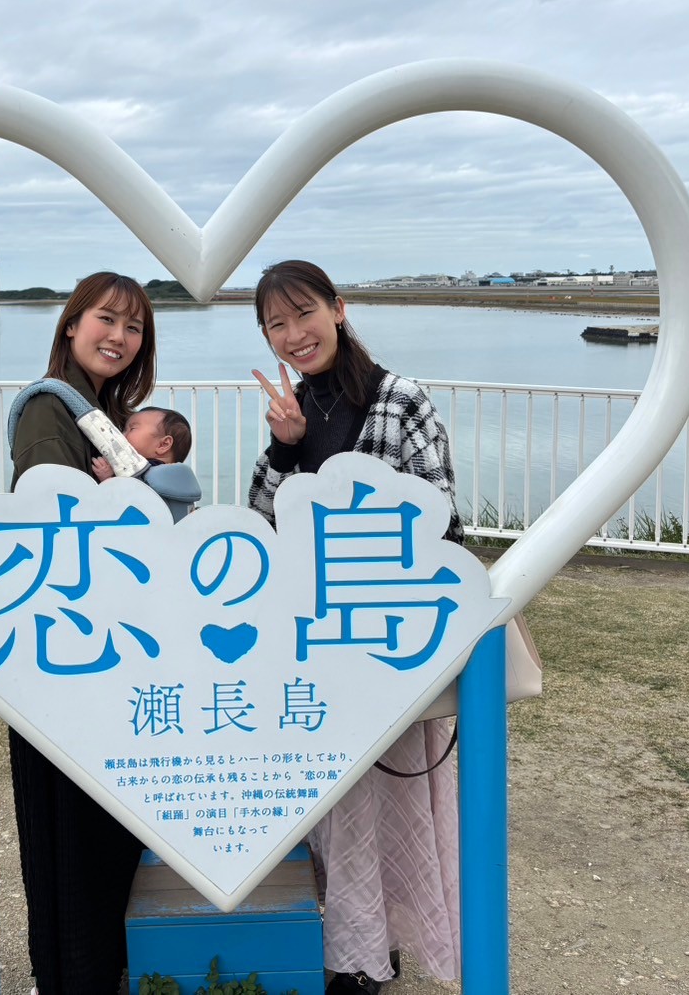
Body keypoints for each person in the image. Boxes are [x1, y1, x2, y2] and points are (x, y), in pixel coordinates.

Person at [248, 259, 462, 994]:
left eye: (303, 313)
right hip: (313, 641)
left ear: (338, 309)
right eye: (275, 325)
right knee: (331, 804)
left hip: (384, 635)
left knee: (384, 799)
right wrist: (286, 446)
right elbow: (260, 526)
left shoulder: (397, 398)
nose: (293, 334)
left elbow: (441, 516)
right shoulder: (293, 407)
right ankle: (358, 944)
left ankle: (368, 954)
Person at [9, 271, 157, 995]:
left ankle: (96, 964)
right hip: (68, 639)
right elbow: (50, 512)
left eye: (133, 328)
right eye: (106, 319)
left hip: (99, 636)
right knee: (74, 816)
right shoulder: (50, 407)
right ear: (71, 324)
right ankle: (75, 972)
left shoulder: (101, 411)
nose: (119, 337)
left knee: (101, 815)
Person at [91, 405, 192, 480]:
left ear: (163, 445)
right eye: (124, 430)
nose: (121, 435)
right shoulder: (174, 478)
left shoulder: (149, 473)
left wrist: (108, 478)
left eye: (132, 428)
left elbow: (128, 495)